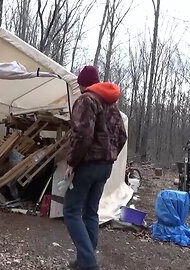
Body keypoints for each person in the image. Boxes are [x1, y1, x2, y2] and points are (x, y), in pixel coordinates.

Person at [64, 66, 127, 270]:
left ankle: (89, 263)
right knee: (90, 212)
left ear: (82, 83)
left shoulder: (86, 100)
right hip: (105, 167)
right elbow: (122, 136)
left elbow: (82, 135)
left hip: (88, 166)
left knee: (71, 211)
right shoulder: (112, 105)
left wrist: (72, 162)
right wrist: (110, 155)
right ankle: (84, 261)